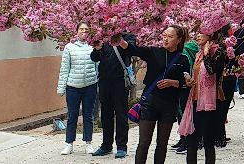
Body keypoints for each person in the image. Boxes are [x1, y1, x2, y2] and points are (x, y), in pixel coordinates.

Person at [120, 25, 191, 164]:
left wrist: (174, 82)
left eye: (170, 37)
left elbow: (186, 83)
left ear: (179, 40)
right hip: (150, 102)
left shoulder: (183, 59)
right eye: (164, 35)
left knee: (162, 143)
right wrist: (119, 41)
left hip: (170, 104)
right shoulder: (153, 51)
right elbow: (132, 49)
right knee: (144, 142)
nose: (165, 39)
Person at [184, 28, 227, 164]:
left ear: (210, 34)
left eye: (200, 33)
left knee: (208, 140)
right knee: (192, 140)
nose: (197, 36)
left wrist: (208, 54)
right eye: (196, 33)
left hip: (211, 102)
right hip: (195, 99)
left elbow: (212, 70)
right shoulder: (198, 53)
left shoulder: (218, 51)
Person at [91, 33, 136, 158]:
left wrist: (119, 40)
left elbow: (131, 49)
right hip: (104, 81)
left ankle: (122, 146)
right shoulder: (103, 36)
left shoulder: (127, 35)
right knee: (105, 115)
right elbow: (94, 58)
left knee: (121, 115)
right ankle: (106, 145)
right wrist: (98, 48)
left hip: (120, 82)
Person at [57, 22, 98, 155]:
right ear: (76, 31)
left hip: (90, 86)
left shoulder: (93, 47)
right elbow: (64, 69)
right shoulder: (69, 47)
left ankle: (88, 142)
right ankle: (69, 143)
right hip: (73, 87)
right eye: (81, 29)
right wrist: (61, 88)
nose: (84, 32)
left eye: (86, 29)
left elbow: (98, 67)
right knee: (72, 115)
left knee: (88, 115)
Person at [215, 29, 237, 148]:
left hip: (226, 79)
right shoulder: (220, 47)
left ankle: (219, 134)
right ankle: (219, 134)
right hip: (226, 79)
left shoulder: (231, 45)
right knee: (222, 108)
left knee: (221, 108)